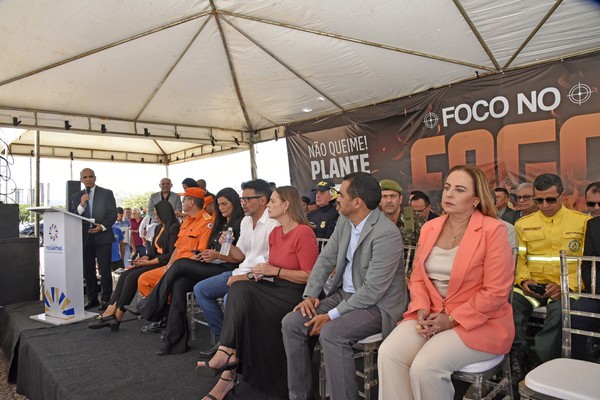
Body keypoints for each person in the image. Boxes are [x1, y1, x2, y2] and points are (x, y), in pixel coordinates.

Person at [377, 165, 515, 400]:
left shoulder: (493, 230)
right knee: (389, 353)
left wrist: (451, 320)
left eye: (459, 189)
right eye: (447, 187)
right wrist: (421, 308)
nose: (449, 194)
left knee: (425, 366)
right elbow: (418, 277)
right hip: (429, 315)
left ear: (475, 199)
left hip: (479, 322)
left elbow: (495, 292)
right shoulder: (430, 227)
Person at [282, 172, 407, 400]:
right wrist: (310, 295)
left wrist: (331, 315)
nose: (336, 197)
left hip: (378, 305)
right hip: (345, 295)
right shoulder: (344, 221)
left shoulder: (387, 234)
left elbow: (373, 291)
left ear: (357, 202)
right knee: (292, 322)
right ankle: (299, 396)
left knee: (332, 333)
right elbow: (325, 259)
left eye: (340, 194)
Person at [196, 186, 319, 399]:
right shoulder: (276, 233)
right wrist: (250, 275)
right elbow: (265, 267)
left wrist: (275, 271)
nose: (268, 205)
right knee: (238, 288)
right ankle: (227, 351)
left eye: (272, 201)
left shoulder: (303, 232)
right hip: (274, 286)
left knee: (240, 294)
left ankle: (227, 363)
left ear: (286, 205)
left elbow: (311, 276)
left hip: (295, 293)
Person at [137, 188, 244, 355]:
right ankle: (176, 342)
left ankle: (150, 304)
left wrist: (216, 255)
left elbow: (240, 256)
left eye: (225, 204)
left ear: (235, 203)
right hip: (212, 262)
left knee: (180, 265)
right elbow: (203, 248)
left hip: (227, 268)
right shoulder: (219, 223)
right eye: (218, 204)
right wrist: (209, 255)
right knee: (178, 285)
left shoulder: (240, 223)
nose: (221, 208)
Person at [511, 173, 590, 377]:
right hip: (532, 288)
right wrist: (524, 280)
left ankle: (543, 365)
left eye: (550, 200)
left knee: (559, 314)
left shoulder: (582, 222)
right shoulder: (523, 225)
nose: (544, 205)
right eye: (539, 200)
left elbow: (587, 264)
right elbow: (519, 259)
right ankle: (518, 358)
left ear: (563, 195)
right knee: (507, 304)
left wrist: (567, 286)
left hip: (566, 290)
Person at [193, 179, 279, 357]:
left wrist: (242, 276)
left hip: (261, 276)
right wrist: (228, 244)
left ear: (262, 200)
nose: (243, 204)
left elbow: (273, 260)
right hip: (240, 270)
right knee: (200, 289)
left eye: (247, 199)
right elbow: (239, 255)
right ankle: (224, 340)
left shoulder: (274, 223)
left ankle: (231, 348)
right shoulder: (246, 221)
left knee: (228, 297)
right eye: (242, 200)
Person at [88, 201, 180, 330]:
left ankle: (116, 315)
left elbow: (171, 255)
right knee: (126, 274)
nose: (155, 215)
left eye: (157, 213)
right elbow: (152, 251)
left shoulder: (174, 228)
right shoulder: (159, 227)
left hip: (164, 263)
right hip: (154, 260)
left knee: (132, 277)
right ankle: (112, 311)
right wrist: (144, 257)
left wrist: (148, 262)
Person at [69, 168, 117, 310]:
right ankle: (92, 299)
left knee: (105, 270)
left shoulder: (106, 193)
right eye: (85, 177)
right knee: (88, 271)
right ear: (81, 180)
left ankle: (106, 300)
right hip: (85, 239)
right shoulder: (76, 196)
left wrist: (102, 227)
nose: (88, 179)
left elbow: (112, 214)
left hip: (103, 237)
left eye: (91, 176)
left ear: (95, 178)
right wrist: (82, 204)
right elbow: (73, 216)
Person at [571, 181, 600, 360]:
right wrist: (594, 289)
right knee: (575, 315)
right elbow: (587, 264)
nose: (596, 208)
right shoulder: (593, 225)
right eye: (591, 204)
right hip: (597, 294)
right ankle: (580, 366)